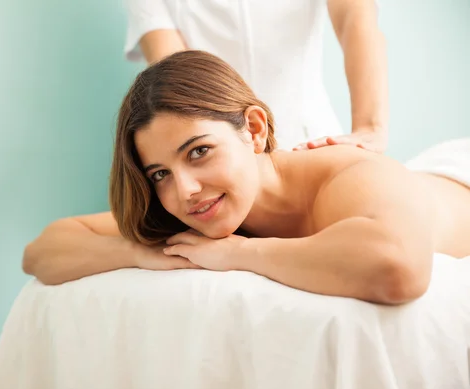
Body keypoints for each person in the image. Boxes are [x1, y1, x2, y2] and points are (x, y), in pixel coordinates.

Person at [23, 51, 470, 305]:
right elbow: (42, 252)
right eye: (159, 173)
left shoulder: (349, 174)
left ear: (254, 130)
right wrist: (139, 253)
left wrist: (243, 254)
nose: (184, 191)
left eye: (199, 152)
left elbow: (399, 270)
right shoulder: (208, 204)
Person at [123, 0, 388, 153]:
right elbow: (177, 78)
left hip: (315, 141)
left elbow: (355, 18)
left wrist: (369, 128)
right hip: (219, 154)